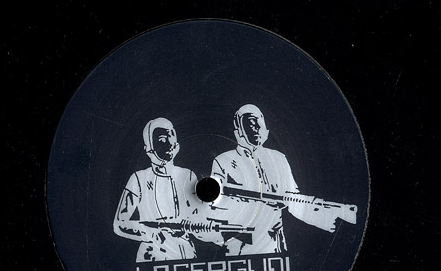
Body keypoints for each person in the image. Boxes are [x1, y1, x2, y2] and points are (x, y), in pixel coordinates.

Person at [211, 104, 342, 255]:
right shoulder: (223, 161)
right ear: (239, 131)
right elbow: (215, 208)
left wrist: (326, 217)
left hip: (273, 246)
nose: (256, 128)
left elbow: (295, 201)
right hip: (239, 247)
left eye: (259, 122)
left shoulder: (279, 158)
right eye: (250, 123)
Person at [113, 118, 220, 262]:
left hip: (186, 254)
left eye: (171, 136)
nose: (169, 143)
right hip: (153, 256)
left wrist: (210, 232)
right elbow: (120, 223)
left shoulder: (187, 175)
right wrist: (152, 233)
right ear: (148, 148)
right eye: (162, 140)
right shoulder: (138, 178)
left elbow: (198, 218)